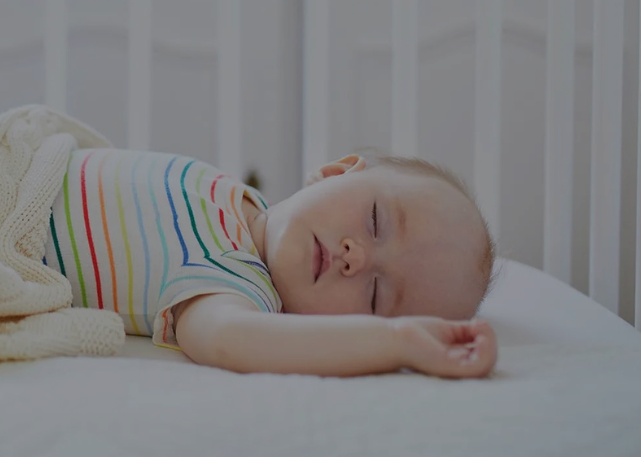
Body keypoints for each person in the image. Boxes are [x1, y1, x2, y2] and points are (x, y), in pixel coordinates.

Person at [43, 149, 498, 378]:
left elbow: (228, 340)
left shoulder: (237, 282)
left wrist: (398, 343)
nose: (353, 257)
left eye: (376, 295)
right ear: (337, 172)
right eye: (374, 221)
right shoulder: (233, 194)